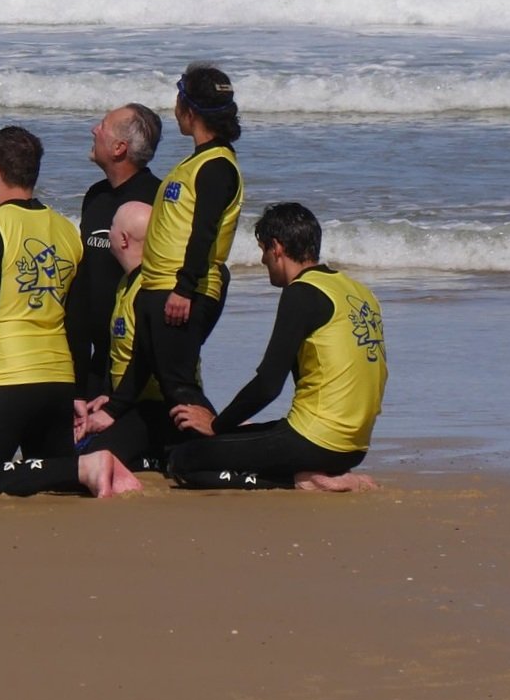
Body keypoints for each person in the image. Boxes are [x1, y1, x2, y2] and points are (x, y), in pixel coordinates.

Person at [0, 127, 140, 498]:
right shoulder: (67, 231)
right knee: (52, 478)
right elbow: (78, 323)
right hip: (56, 383)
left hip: (5, 379)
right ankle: (82, 468)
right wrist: (75, 391)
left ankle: (87, 463)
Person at [164, 201, 385, 491]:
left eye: (262, 251)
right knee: (237, 441)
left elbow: (268, 384)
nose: (262, 261)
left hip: (316, 441)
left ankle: (299, 481)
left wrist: (217, 425)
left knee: (184, 461)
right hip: (354, 447)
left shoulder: (302, 293)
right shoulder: (360, 292)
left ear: (276, 248)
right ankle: (319, 474)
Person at [124, 64, 245, 418]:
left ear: (189, 110)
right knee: (166, 376)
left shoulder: (217, 166)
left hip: (181, 289)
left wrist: (184, 288)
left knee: (178, 384)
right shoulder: (199, 162)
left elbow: (204, 231)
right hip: (163, 285)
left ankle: (219, 448)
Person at [72, 198, 183, 474]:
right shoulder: (127, 282)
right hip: (132, 402)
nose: (105, 232)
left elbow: (149, 359)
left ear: (122, 239)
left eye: (110, 226)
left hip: (158, 408)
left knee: (88, 458)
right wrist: (110, 397)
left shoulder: (150, 289)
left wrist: (113, 410)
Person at [69, 105, 162, 401]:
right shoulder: (96, 195)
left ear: (120, 147)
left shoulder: (157, 200)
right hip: (94, 357)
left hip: (134, 358)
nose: (94, 130)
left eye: (103, 126)